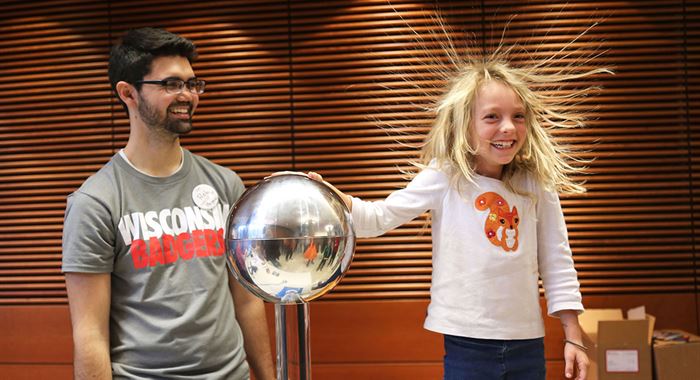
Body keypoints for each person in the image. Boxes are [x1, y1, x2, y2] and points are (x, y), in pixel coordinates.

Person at [308, 48, 608, 380]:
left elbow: (557, 259)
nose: (508, 127)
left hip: (527, 341)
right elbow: (379, 218)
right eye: (492, 117)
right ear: (464, 125)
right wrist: (339, 201)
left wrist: (573, 335)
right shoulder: (445, 177)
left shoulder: (534, 184)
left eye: (518, 116)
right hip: (468, 343)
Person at [62, 27, 274, 380]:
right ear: (128, 93)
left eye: (192, 84)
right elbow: (89, 334)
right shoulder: (96, 202)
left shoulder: (226, 184)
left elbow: (248, 301)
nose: (188, 95)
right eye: (171, 84)